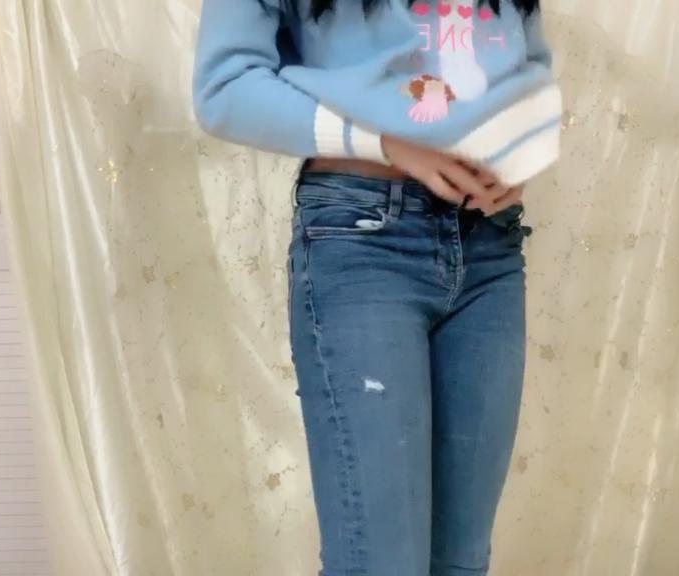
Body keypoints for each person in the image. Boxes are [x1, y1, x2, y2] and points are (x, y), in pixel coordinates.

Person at [193, 1, 558, 574]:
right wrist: (386, 142)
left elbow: (527, 65)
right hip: (364, 240)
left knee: (460, 562)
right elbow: (225, 87)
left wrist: (514, 156)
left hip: (489, 244)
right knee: (379, 562)